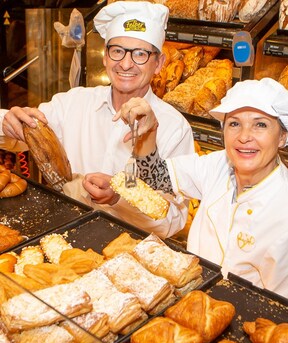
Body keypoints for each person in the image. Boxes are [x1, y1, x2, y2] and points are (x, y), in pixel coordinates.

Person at [120, 77, 288, 309]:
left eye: (260, 124)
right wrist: (150, 129)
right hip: (191, 305)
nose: (244, 136)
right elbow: (156, 177)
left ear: (283, 136)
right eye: (234, 123)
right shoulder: (219, 164)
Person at [0, 1, 194, 238]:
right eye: (117, 51)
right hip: (66, 234)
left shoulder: (174, 128)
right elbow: (21, 136)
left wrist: (118, 199)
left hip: (131, 252)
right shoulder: (74, 103)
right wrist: (8, 122)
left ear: (159, 64)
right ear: (105, 56)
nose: (125, 63)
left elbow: (172, 222)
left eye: (140, 54)